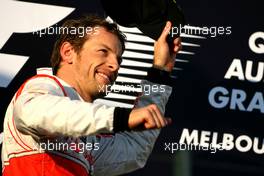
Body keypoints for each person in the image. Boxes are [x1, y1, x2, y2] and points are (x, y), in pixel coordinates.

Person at [1, 15, 181, 176]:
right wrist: (121, 117)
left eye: (119, 59)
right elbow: (36, 114)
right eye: (103, 51)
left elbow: (134, 151)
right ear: (68, 52)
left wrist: (160, 71)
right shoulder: (43, 86)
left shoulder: (88, 142)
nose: (115, 65)